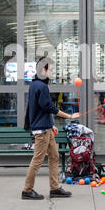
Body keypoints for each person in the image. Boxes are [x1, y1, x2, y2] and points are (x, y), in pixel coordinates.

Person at [22, 56, 80, 200]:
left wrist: (51, 124)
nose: (52, 72)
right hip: (42, 131)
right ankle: (27, 190)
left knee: (54, 156)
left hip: (46, 128)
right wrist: (70, 116)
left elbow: (40, 109)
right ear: (43, 69)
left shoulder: (36, 84)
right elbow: (49, 107)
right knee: (37, 160)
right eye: (51, 69)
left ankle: (54, 188)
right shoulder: (40, 86)